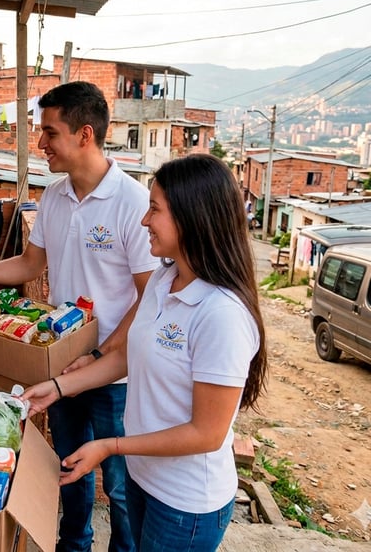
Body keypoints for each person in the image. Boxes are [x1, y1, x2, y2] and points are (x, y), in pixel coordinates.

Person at [23, 154, 268, 551]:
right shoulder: (164, 279)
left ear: (193, 218)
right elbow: (127, 358)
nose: (144, 221)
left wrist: (110, 446)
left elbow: (207, 433)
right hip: (144, 477)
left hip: (185, 504)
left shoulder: (222, 314)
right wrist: (58, 386)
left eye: (155, 210)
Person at [0, 81, 158, 552]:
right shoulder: (55, 195)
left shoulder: (132, 203)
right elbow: (29, 265)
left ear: (85, 135)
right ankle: (74, 545)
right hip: (60, 363)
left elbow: (148, 297)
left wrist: (102, 353)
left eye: (49, 132)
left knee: (121, 484)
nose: (41, 144)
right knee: (68, 467)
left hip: (115, 375)